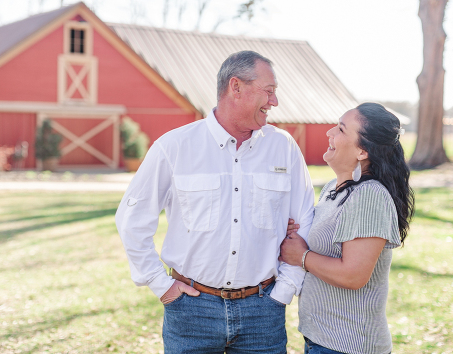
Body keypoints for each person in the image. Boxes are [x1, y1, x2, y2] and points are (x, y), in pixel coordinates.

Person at [115, 50, 315, 353]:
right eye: (269, 91)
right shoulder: (174, 146)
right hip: (191, 311)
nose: (274, 102)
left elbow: (304, 220)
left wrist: (285, 290)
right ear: (236, 87)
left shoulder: (283, 147)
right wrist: (161, 285)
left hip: (263, 311)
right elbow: (132, 219)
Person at [279, 103, 414, 354]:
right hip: (320, 338)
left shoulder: (369, 195)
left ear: (362, 151)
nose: (329, 133)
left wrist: (302, 257)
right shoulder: (334, 187)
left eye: (341, 129)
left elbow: (353, 276)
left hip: (350, 344)